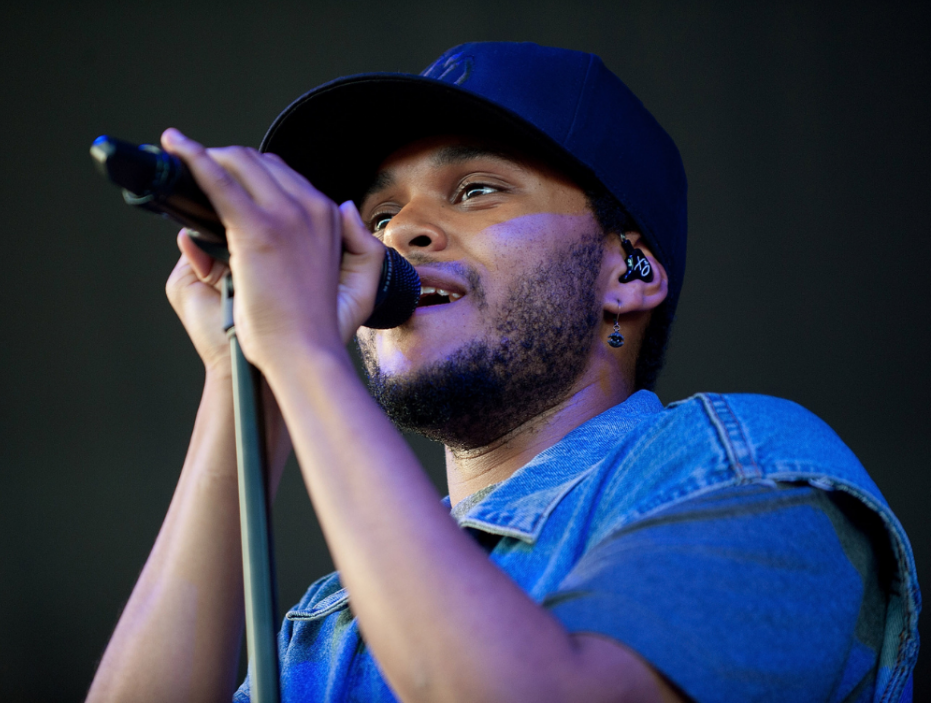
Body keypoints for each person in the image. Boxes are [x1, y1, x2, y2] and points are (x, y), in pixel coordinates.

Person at [85, 42, 920, 703]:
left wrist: (301, 351)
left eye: (476, 189)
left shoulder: (749, 465)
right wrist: (251, 375)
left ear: (629, 272)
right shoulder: (330, 629)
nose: (400, 232)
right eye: (379, 214)